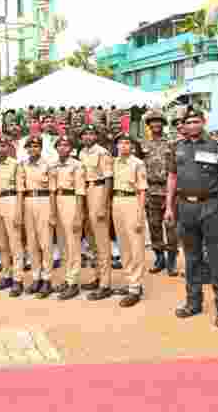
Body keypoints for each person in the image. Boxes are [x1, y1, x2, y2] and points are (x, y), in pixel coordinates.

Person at [166, 106, 218, 323]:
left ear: (203, 122)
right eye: (188, 122)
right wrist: (169, 207)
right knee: (191, 258)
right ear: (184, 126)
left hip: (211, 206)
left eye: (196, 121)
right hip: (185, 207)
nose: (192, 125)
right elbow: (172, 177)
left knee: (216, 257)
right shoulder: (177, 147)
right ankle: (193, 302)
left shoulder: (215, 146)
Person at [111, 133, 148, 307]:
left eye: (127, 143)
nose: (124, 146)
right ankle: (129, 282)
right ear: (117, 146)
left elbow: (142, 190)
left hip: (132, 202)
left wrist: (140, 216)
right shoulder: (114, 162)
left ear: (132, 146)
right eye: (121, 143)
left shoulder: (138, 164)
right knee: (123, 245)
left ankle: (135, 287)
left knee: (135, 246)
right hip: (117, 202)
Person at [78, 124, 115, 299]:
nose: (87, 136)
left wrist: (104, 204)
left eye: (91, 133)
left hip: (98, 191)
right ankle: (98, 276)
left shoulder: (103, 152)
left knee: (102, 241)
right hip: (84, 192)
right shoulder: (82, 153)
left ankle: (105, 284)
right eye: (85, 134)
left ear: (96, 136)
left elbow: (108, 179)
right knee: (91, 240)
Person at [141, 109, 178, 276]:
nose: (156, 124)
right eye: (152, 122)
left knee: (171, 228)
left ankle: (172, 261)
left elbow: (177, 169)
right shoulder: (143, 144)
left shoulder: (172, 143)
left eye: (159, 122)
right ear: (149, 125)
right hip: (150, 191)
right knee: (154, 226)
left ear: (163, 124)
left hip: (169, 191)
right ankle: (159, 258)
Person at [51, 136, 86, 300]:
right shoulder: (54, 165)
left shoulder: (77, 165)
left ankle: (74, 283)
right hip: (58, 201)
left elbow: (80, 191)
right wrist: (52, 212)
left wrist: (79, 214)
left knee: (73, 244)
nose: (63, 148)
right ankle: (67, 277)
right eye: (60, 145)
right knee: (62, 243)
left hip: (72, 201)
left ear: (71, 149)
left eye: (66, 145)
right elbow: (52, 190)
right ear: (56, 148)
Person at [19, 136, 54, 297]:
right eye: (30, 146)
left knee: (45, 242)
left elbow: (53, 190)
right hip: (28, 202)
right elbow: (20, 189)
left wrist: (53, 211)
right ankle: (36, 277)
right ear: (26, 149)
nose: (33, 149)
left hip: (44, 201)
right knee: (32, 243)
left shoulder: (48, 165)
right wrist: (19, 210)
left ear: (40, 148)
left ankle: (47, 279)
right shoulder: (22, 166)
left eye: (36, 146)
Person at [0, 136, 23, 296]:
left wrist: (18, 210)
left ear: (8, 147)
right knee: (2, 244)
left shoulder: (15, 164)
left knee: (15, 243)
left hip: (11, 200)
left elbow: (20, 189)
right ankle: (6, 275)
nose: (1, 148)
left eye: (4, 145)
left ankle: (18, 279)